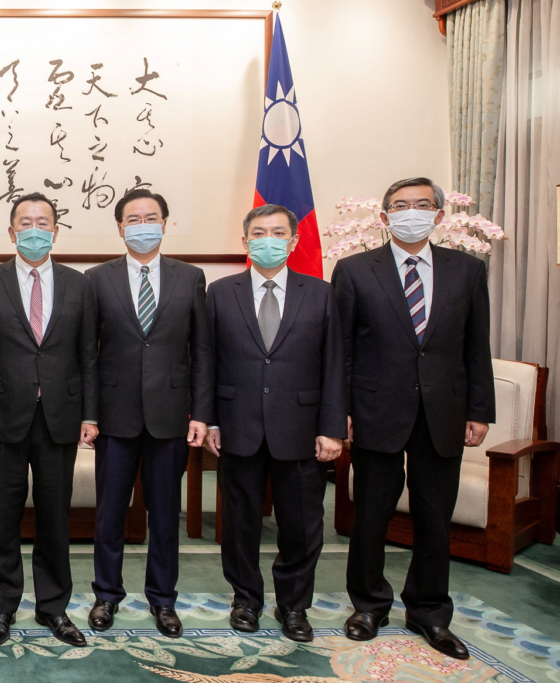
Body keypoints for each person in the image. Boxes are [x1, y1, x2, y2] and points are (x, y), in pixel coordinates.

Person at [333, 177, 494, 660]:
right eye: (400, 205)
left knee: (433, 519)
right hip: (374, 410)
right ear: (383, 217)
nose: (411, 212)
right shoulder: (355, 270)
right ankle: (368, 605)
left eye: (422, 204)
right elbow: (340, 350)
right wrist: (338, 411)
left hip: (443, 412)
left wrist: (480, 410)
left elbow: (476, 346)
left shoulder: (467, 270)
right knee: (371, 515)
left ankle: (428, 612)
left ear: (439, 216)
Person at [204, 204, 347, 643]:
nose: (269, 239)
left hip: (302, 428)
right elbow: (207, 361)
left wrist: (333, 427)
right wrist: (208, 420)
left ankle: (294, 607)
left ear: (294, 240)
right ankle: (245, 599)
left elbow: (334, 366)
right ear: (245, 242)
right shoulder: (219, 292)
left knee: (303, 527)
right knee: (240, 524)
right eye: (259, 233)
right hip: (236, 424)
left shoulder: (321, 293)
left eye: (278, 232)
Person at [0, 192, 98, 648]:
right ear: (11, 231)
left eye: (44, 222)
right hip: (4, 414)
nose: (35, 229)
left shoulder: (80, 284)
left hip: (61, 415)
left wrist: (91, 415)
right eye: (26, 222)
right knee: (2, 516)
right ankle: (3, 606)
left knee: (54, 517)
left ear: (56, 231)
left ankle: (54, 608)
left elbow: (88, 356)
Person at [84, 188, 212, 637]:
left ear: (165, 223)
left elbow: (202, 350)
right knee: (110, 514)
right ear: (120, 228)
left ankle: (163, 600)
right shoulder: (96, 279)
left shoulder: (190, 276)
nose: (142, 225)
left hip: (171, 415)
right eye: (133, 219)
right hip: (115, 416)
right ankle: (106, 596)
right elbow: (87, 354)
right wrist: (89, 413)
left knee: (164, 513)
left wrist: (201, 413)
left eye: (150, 217)